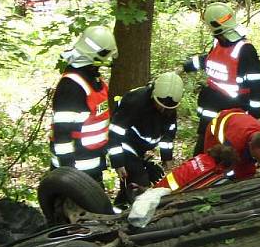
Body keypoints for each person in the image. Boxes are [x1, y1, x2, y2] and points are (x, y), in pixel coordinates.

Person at [181, 2, 260, 154]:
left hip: (233, 109)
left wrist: (254, 115)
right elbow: (210, 59)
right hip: (211, 106)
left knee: (230, 150)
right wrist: (188, 65)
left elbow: (257, 84)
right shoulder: (218, 43)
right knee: (203, 147)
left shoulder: (245, 49)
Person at [50, 25, 117, 180]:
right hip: (73, 174)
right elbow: (62, 135)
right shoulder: (72, 87)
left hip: (91, 166)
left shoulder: (94, 79)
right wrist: (69, 174)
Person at [108, 72, 184, 205]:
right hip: (126, 144)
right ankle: (136, 216)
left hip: (142, 149)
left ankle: (120, 207)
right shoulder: (135, 102)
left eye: (167, 109)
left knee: (156, 177)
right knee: (139, 182)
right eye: (160, 105)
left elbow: (168, 134)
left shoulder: (169, 108)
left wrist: (167, 158)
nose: (162, 110)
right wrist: (118, 162)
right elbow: (115, 133)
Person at [203, 108, 260, 180]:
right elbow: (225, 165)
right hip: (219, 124)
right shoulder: (234, 144)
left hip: (241, 121)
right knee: (212, 166)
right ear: (251, 146)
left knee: (247, 173)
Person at [154, 145, 239, 192]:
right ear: (224, 164)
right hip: (168, 196)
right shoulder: (212, 173)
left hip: (159, 187)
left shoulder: (201, 157)